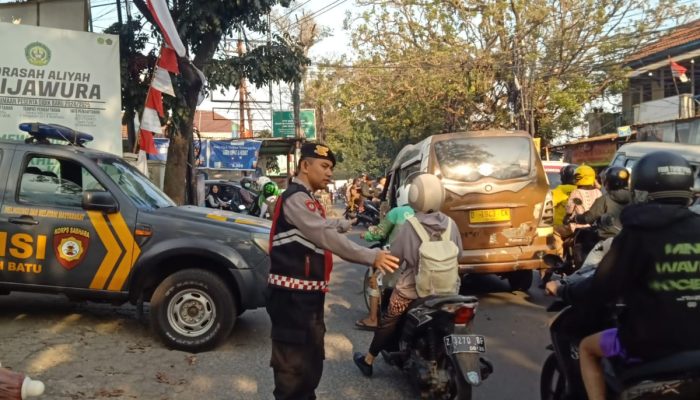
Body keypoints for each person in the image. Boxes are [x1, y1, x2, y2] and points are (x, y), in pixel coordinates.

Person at [560, 152, 700, 400]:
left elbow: (603, 288)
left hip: (646, 344)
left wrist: (563, 290)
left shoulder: (637, 233)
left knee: (587, 348)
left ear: (640, 191)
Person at [266, 142, 399, 400]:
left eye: (331, 168)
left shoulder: (305, 198)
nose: (329, 173)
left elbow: (316, 227)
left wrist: (339, 223)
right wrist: (371, 255)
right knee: (293, 372)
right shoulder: (296, 198)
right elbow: (324, 237)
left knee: (310, 364)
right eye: (324, 166)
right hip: (293, 298)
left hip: (306, 297)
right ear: (305, 166)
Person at [353, 174, 462, 377]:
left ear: (414, 195)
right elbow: (460, 255)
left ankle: (368, 360)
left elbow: (394, 258)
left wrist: (382, 274)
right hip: (449, 289)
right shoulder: (451, 224)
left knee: (389, 318)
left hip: (413, 289)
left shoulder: (410, 225)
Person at [356, 184, 416, 330]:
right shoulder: (425, 213)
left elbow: (380, 233)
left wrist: (366, 234)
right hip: (420, 260)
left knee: (374, 280)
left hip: (395, 258)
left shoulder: (396, 212)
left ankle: (372, 319)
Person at [571, 166, 631, 240]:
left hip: (608, 239)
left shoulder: (605, 199)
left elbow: (588, 218)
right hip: (631, 240)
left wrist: (576, 218)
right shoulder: (636, 198)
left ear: (608, 182)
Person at [564, 165, 602, 231]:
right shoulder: (598, 192)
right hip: (596, 226)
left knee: (556, 232)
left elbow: (569, 210)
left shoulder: (576, 192)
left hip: (578, 226)